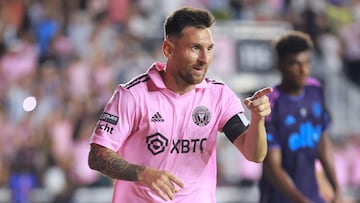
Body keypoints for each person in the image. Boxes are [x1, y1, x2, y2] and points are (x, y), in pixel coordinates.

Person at [88, 6, 272, 203]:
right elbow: (97, 155)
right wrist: (142, 173)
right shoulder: (132, 95)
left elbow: (254, 154)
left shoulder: (219, 95)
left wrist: (258, 119)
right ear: (168, 49)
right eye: (195, 48)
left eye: (209, 49)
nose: (204, 59)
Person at [258, 31, 342, 203]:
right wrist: (301, 201)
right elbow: (272, 166)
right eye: (294, 64)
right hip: (280, 198)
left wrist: (336, 188)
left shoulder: (315, 90)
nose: (303, 70)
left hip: (312, 195)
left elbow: (321, 140)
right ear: (279, 65)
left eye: (307, 63)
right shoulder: (271, 104)